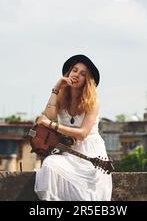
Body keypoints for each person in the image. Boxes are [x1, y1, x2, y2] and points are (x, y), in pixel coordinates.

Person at [33, 54, 113, 201]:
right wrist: (56, 88)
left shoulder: (93, 102)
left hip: (90, 154)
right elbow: (49, 116)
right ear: (69, 73)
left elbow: (82, 134)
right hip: (67, 152)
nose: (77, 75)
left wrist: (51, 125)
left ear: (87, 80)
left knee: (85, 193)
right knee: (50, 164)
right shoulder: (62, 96)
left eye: (83, 74)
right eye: (74, 70)